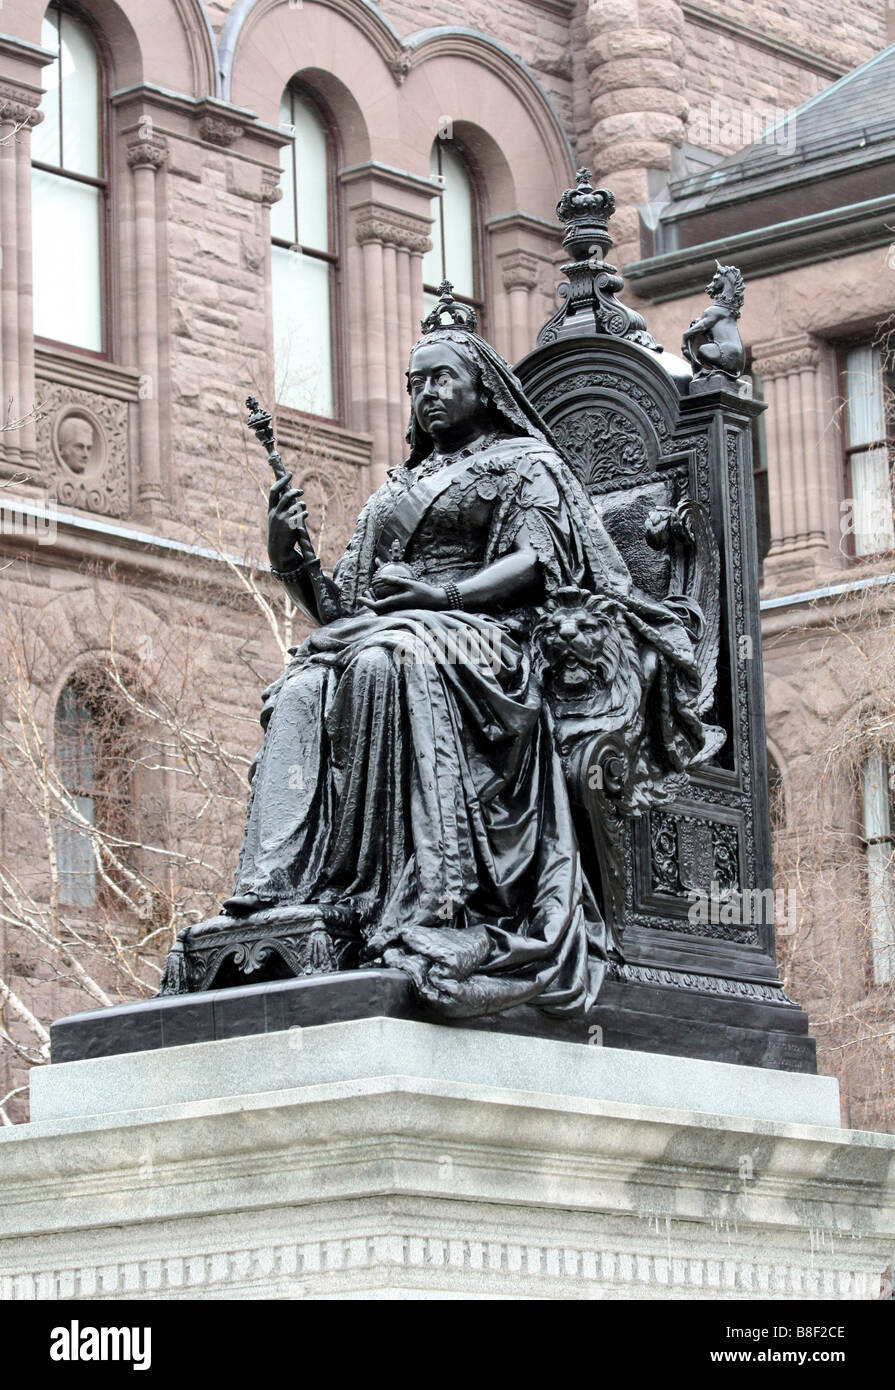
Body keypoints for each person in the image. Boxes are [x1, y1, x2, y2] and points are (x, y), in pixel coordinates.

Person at [196, 291, 714, 1018]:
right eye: (416, 384)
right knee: (309, 679)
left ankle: (422, 888)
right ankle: (278, 886)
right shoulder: (394, 490)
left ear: (483, 389)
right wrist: (289, 558)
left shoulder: (523, 463)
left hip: (495, 633)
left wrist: (441, 599)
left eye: (441, 378)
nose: (427, 394)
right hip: (402, 628)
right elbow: (346, 608)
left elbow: (537, 562)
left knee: (385, 659)